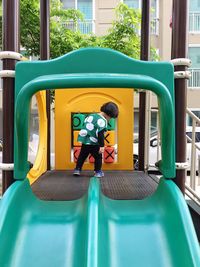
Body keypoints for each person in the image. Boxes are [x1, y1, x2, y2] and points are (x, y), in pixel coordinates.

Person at [73, 102, 119, 178]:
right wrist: (102, 146)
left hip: (86, 141)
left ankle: (77, 169)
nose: (109, 119)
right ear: (109, 115)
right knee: (98, 157)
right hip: (95, 143)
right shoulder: (102, 121)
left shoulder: (90, 116)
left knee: (82, 156)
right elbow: (100, 134)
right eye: (110, 118)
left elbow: (85, 126)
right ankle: (98, 171)